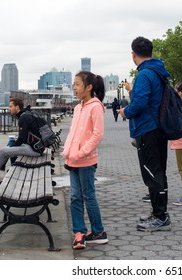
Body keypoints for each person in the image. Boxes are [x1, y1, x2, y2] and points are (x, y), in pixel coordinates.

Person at [119, 36, 171, 232]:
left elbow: (139, 104)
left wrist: (125, 112)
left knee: (151, 173)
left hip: (147, 130)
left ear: (133, 54)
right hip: (159, 128)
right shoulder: (159, 71)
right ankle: (159, 212)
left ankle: (160, 216)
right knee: (159, 171)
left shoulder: (144, 75)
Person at [62, 71, 108, 249]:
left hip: (86, 160)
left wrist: (81, 152)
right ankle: (79, 232)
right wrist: (68, 150)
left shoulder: (95, 107)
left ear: (88, 87)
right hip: (72, 158)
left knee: (88, 196)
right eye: (74, 84)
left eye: (77, 84)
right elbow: (73, 132)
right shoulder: (78, 107)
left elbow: (98, 135)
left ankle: (98, 231)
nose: (74, 88)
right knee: (75, 197)